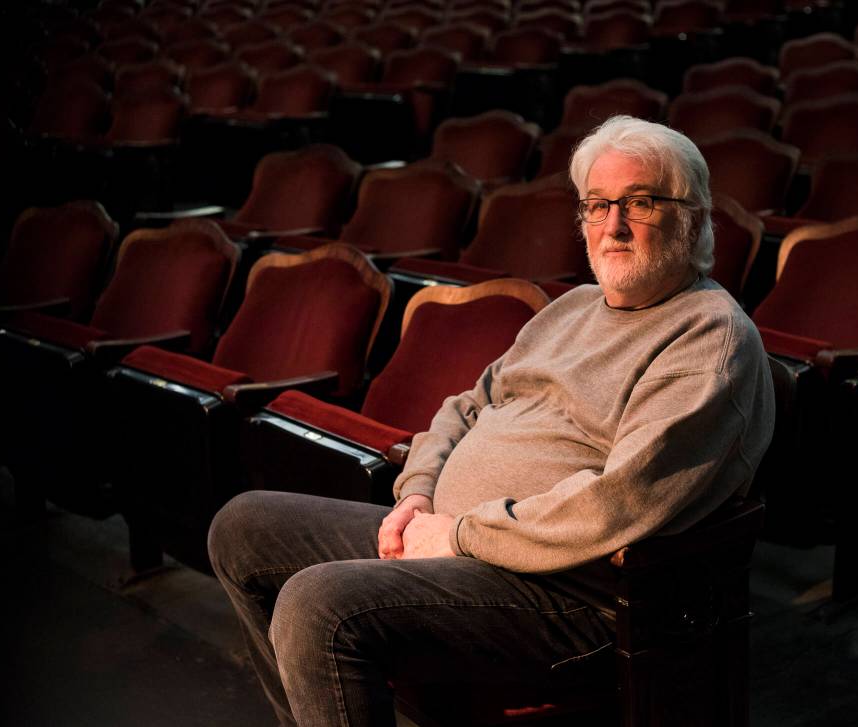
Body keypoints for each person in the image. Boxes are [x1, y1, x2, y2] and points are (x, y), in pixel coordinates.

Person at [208, 115, 776, 726]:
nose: (613, 226)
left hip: (568, 595)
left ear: (690, 217)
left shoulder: (708, 339)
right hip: (457, 541)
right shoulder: (573, 307)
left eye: (639, 203)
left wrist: (459, 536)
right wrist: (417, 494)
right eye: (597, 205)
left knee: (318, 603)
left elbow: (619, 500)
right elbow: (467, 405)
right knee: (243, 527)